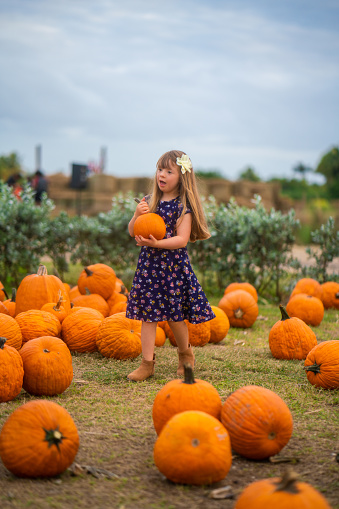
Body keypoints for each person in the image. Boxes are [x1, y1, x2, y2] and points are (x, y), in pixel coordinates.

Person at [126, 150, 215, 382]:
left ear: (182, 177)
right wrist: (136, 216)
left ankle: (185, 354)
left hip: (172, 268)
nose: (161, 175)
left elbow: (182, 240)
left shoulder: (182, 206)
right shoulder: (149, 202)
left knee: (175, 316)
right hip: (149, 268)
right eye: (159, 169)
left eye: (168, 171)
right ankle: (147, 363)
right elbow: (131, 231)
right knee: (148, 315)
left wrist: (157, 243)